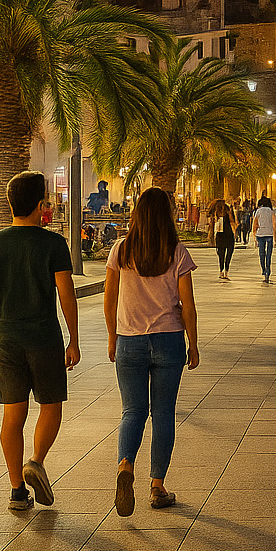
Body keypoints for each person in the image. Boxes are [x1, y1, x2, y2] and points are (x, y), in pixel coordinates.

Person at [0, 171, 80, 511]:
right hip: (44, 336)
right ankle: (35, 460)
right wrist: (73, 339)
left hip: (6, 336)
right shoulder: (52, 244)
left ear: (9, 203)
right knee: (50, 404)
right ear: (39, 204)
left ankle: (17, 491)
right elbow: (66, 294)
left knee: (12, 414)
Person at [104, 186, 199, 516]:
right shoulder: (177, 252)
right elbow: (187, 304)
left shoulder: (121, 250)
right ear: (167, 214)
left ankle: (125, 465)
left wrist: (112, 337)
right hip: (169, 340)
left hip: (129, 339)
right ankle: (157, 486)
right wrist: (194, 343)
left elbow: (109, 298)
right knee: (163, 414)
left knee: (132, 411)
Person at [252, 195, 276, 283]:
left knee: (261, 253)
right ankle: (268, 272)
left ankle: (263, 270)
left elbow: (255, 224)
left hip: (260, 235)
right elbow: (274, 225)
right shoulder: (271, 212)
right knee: (269, 255)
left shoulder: (258, 211)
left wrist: (254, 235)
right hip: (269, 234)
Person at [208, 199, 236, 280]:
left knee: (221, 254)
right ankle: (226, 271)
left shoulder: (215, 215)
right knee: (229, 254)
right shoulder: (227, 212)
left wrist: (211, 236)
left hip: (220, 236)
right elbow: (232, 222)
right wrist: (235, 231)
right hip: (229, 235)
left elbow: (211, 226)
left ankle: (221, 271)